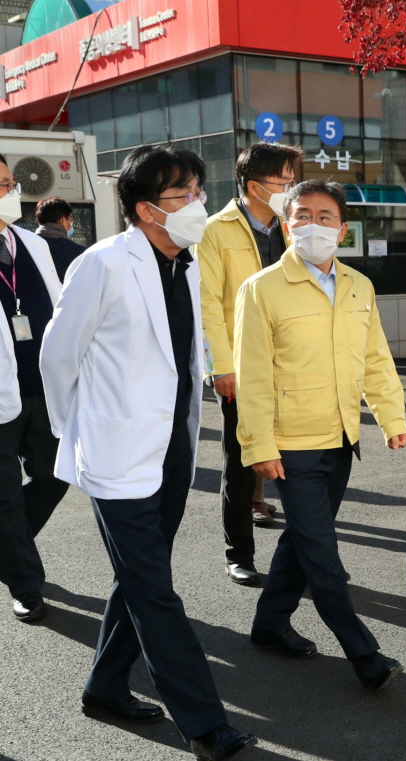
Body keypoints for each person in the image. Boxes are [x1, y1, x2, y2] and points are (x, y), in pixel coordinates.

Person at [40, 145, 256, 761]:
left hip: (171, 451)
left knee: (137, 579)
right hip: (115, 454)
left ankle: (105, 687)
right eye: (183, 195)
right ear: (145, 210)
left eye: (199, 191)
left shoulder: (185, 265)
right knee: (156, 590)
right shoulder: (104, 264)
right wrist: (76, 431)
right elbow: (58, 357)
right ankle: (205, 723)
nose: (199, 204)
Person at [234, 178, 406, 690]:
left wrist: (392, 417)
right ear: (287, 227)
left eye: (325, 216)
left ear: (343, 228)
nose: (314, 224)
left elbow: (375, 357)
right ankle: (363, 653)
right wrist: (259, 446)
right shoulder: (261, 288)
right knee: (323, 555)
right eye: (303, 216)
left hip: (340, 438)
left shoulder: (359, 285)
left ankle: (269, 624)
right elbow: (254, 375)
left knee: (303, 538)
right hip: (290, 444)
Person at [194, 142, 303, 586]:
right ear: (254, 186)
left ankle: (305, 557)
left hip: (295, 364)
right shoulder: (214, 231)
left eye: (292, 180)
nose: (290, 189)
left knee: (302, 465)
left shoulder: (295, 226)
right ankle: (239, 553)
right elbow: (208, 307)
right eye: (284, 181)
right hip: (242, 367)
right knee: (240, 467)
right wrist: (220, 367)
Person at [0, 155, 69, 624]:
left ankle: (9, 548)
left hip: (43, 388)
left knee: (56, 473)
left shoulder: (31, 243)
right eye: (0, 184)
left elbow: (61, 307)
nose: (9, 191)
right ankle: (26, 583)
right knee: (3, 495)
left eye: (8, 182)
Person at [34, 196, 87, 280]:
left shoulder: (25, 246)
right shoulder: (79, 252)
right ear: (62, 220)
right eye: (71, 219)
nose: (71, 223)